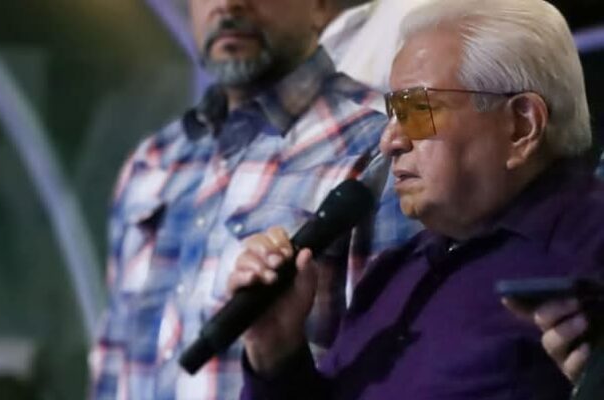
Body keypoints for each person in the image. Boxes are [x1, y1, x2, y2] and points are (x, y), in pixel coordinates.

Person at [231, 0, 603, 398]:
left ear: (521, 125)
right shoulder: (393, 272)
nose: (389, 141)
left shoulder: (592, 247)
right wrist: (277, 356)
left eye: (416, 109)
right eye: (392, 111)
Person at [88, 0, 422, 399]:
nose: (228, 4)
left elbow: (394, 374)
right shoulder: (152, 162)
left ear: (319, 7)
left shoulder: (383, 145)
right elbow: (112, 358)